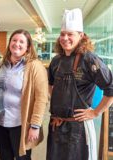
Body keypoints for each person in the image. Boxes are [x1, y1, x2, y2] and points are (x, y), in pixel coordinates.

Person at [47, 8, 113, 160]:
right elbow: (50, 85)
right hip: (56, 125)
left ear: (81, 35)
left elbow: (111, 87)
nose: (65, 38)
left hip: (78, 129)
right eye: (63, 34)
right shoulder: (56, 61)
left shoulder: (90, 60)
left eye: (70, 34)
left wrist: (95, 112)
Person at [0, 29, 48, 160]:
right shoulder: (3, 64)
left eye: (21, 42)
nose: (17, 44)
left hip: (20, 124)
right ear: (9, 43)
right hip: (0, 122)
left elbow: (41, 98)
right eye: (14, 40)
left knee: (22, 158)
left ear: (28, 47)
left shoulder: (35, 66)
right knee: (4, 157)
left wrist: (35, 125)